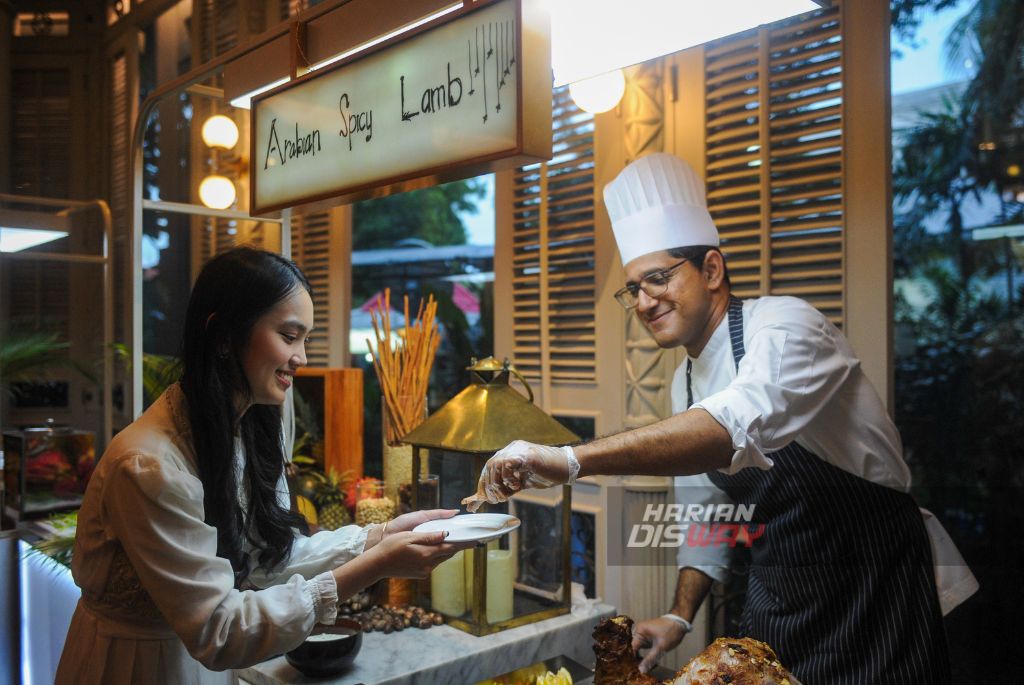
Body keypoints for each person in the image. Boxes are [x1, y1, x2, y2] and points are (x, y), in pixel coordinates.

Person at [464, 154, 978, 684]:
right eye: (633, 288)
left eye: (657, 278)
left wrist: (570, 459)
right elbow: (707, 517)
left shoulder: (785, 325)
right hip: (783, 596)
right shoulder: (681, 384)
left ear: (711, 269)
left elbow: (732, 425)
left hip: (873, 587)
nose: (643, 301)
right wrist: (679, 616)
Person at [56, 247, 469, 684]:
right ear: (222, 335)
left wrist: (381, 536)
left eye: (305, 339)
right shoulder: (147, 465)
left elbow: (267, 558)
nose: (302, 357)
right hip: (134, 667)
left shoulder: (242, 432)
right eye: (289, 336)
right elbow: (219, 630)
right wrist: (373, 566)